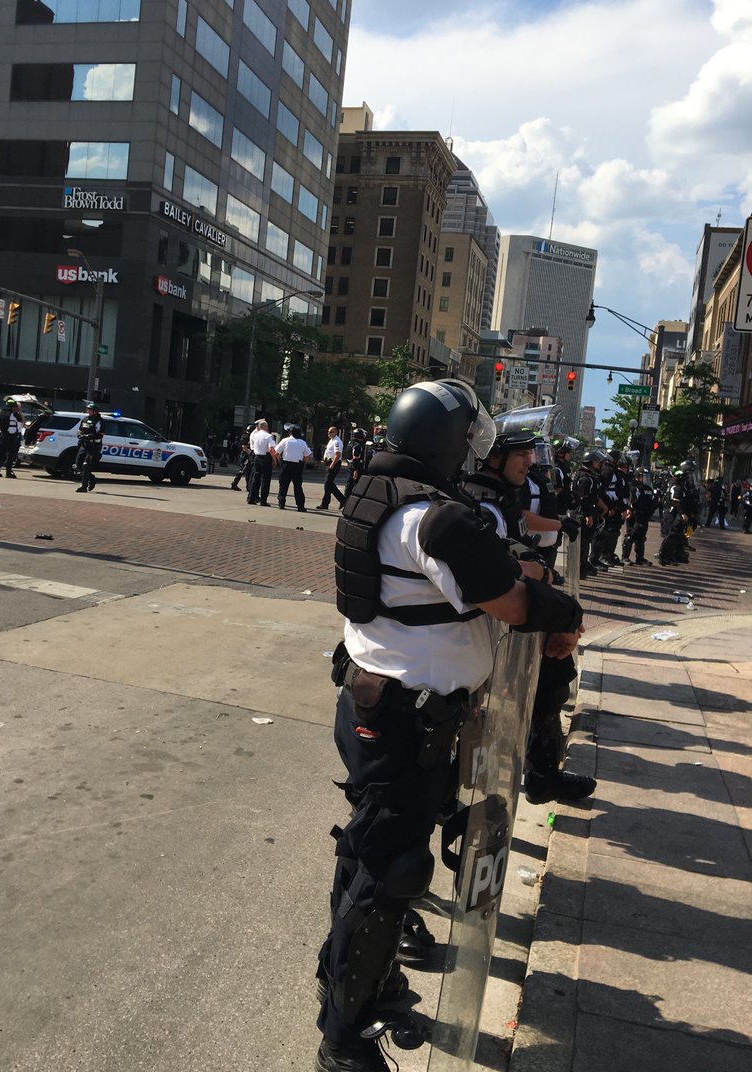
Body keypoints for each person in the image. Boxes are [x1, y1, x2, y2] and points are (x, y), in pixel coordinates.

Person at [316, 380, 583, 1072]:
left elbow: (473, 572)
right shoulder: (434, 520)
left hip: (383, 705)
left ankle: (373, 984)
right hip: (407, 717)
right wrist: (561, 614)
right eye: (469, 437)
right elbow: (513, 603)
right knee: (390, 868)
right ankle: (342, 1041)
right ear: (449, 445)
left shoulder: (379, 494)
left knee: (372, 856)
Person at [466, 430, 595, 806]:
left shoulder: (499, 496)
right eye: (520, 453)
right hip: (492, 623)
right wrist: (541, 575)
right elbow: (497, 567)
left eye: (530, 453)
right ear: (492, 458)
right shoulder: (482, 502)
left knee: (551, 683)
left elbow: (515, 536)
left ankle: (542, 776)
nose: (530, 461)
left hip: (510, 616)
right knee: (480, 706)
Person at [621, 470, 656, 565]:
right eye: (643, 476)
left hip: (645, 516)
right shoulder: (635, 487)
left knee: (641, 538)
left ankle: (640, 559)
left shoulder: (648, 488)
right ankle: (624, 557)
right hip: (636, 516)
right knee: (631, 536)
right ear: (637, 476)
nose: (644, 479)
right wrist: (630, 510)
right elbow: (631, 501)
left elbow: (653, 501)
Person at [276, 424, 313, 511]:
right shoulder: (302, 443)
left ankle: (281, 503)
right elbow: (308, 455)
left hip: (286, 464)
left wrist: (280, 461)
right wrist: (303, 462)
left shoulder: (285, 441)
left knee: (283, 485)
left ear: (290, 433)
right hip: (297, 465)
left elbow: (276, 453)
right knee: (298, 486)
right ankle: (300, 506)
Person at [246, 419, 277, 506]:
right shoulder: (268, 436)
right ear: (266, 427)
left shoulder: (255, 435)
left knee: (255, 479)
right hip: (266, 458)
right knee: (265, 480)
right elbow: (271, 449)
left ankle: (251, 498)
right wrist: (274, 460)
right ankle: (263, 500)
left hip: (257, 457)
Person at [74, 403, 104, 493]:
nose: (88, 411)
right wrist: (80, 435)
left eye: (90, 410)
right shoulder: (85, 419)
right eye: (88, 409)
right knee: (78, 464)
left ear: (95, 411)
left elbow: (101, 434)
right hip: (84, 445)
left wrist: (89, 436)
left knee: (86, 465)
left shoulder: (100, 421)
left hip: (94, 446)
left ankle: (83, 486)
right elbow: (80, 430)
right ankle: (92, 479)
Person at [0, 397, 24, 479]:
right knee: (10, 455)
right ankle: (8, 472)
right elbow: (22, 421)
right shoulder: (13, 414)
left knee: (0, 454)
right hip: (11, 437)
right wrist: (19, 411)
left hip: (2, 435)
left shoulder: (0, 413)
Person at [316, 426, 345, 510]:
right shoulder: (331, 441)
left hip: (334, 463)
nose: (329, 433)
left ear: (336, 432)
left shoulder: (337, 441)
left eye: (331, 432)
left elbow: (337, 455)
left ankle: (342, 499)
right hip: (329, 463)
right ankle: (325, 503)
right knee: (328, 484)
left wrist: (332, 465)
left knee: (328, 483)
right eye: (328, 431)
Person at [344, 427, 368, 500]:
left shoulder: (350, 443)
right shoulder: (358, 445)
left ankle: (345, 499)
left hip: (349, 465)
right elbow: (355, 458)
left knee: (349, 483)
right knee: (355, 484)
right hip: (355, 466)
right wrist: (355, 470)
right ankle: (349, 500)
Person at [231, 424, 254, 492]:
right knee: (243, 470)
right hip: (246, 456)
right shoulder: (246, 437)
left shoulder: (246, 436)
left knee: (248, 471)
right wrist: (251, 453)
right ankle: (234, 484)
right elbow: (244, 447)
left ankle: (248, 486)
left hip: (246, 455)